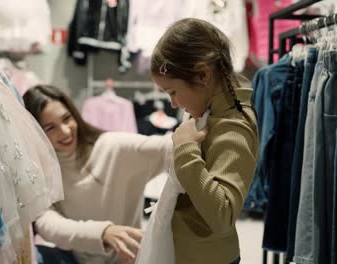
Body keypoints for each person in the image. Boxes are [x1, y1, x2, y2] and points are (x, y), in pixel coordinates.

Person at [149, 18, 259, 264]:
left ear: (203, 75)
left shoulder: (232, 127)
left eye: (173, 92)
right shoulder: (212, 114)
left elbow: (222, 215)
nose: (173, 104)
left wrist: (186, 150)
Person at [23, 85, 173, 264]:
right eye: (50, 128)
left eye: (67, 118)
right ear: (36, 132)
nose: (64, 131)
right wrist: (102, 232)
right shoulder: (40, 169)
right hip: (77, 259)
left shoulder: (113, 148)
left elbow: (168, 147)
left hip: (127, 259)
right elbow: (44, 221)